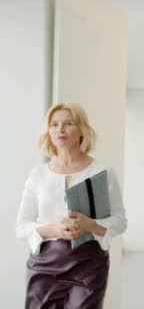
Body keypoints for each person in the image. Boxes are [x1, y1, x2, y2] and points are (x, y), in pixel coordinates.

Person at [16, 103, 128, 308]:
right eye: (54, 124)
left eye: (68, 123)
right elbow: (21, 226)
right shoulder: (38, 175)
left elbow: (120, 222)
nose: (60, 129)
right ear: (49, 132)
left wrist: (90, 225)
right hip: (44, 265)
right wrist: (53, 229)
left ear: (81, 130)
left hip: (88, 265)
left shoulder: (102, 173)